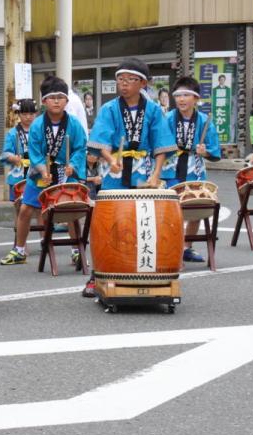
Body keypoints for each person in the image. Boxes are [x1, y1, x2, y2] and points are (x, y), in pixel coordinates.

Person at [86, 57, 177, 297]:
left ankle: (143, 271)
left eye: (130, 80)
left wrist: (156, 176)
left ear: (143, 84)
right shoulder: (109, 109)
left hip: (144, 171)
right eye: (120, 79)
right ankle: (97, 275)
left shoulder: (155, 111)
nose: (124, 84)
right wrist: (108, 158)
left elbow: (161, 145)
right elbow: (100, 140)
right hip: (115, 172)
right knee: (107, 223)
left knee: (144, 222)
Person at [0, 77, 86, 266]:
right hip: (40, 173)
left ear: (67, 101)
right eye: (52, 97)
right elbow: (34, 151)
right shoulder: (38, 125)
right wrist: (41, 169)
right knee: (25, 209)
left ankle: (75, 250)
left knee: (69, 211)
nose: (56, 101)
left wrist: (74, 163)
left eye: (60, 97)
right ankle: (19, 250)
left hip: (64, 171)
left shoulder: (74, 124)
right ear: (44, 101)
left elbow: (80, 147)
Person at [162, 77, 222, 263]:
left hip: (194, 171)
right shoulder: (168, 118)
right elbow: (159, 143)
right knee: (173, 211)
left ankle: (187, 247)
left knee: (196, 209)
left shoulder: (204, 121)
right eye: (178, 95)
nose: (181, 99)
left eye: (186, 95)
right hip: (171, 170)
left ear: (195, 99)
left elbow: (215, 151)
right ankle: (172, 247)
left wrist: (205, 152)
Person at [0, 100, 36, 212]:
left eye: (31, 114)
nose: (28, 117)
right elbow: (5, 152)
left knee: (39, 205)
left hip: (36, 172)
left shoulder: (40, 131)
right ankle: (19, 227)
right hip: (18, 173)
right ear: (19, 114)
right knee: (18, 205)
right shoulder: (12, 133)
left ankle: (42, 228)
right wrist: (13, 158)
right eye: (24, 114)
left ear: (35, 114)